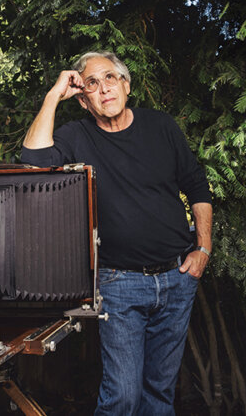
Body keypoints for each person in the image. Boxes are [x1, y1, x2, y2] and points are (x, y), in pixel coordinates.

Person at [21, 51, 213, 415]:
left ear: (126, 85)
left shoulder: (161, 126)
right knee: (122, 397)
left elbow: (197, 186)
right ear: (82, 99)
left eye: (110, 78)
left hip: (177, 278)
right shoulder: (75, 135)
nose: (103, 89)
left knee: (159, 395)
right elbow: (32, 162)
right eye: (91, 84)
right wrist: (53, 95)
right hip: (118, 284)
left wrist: (203, 248)